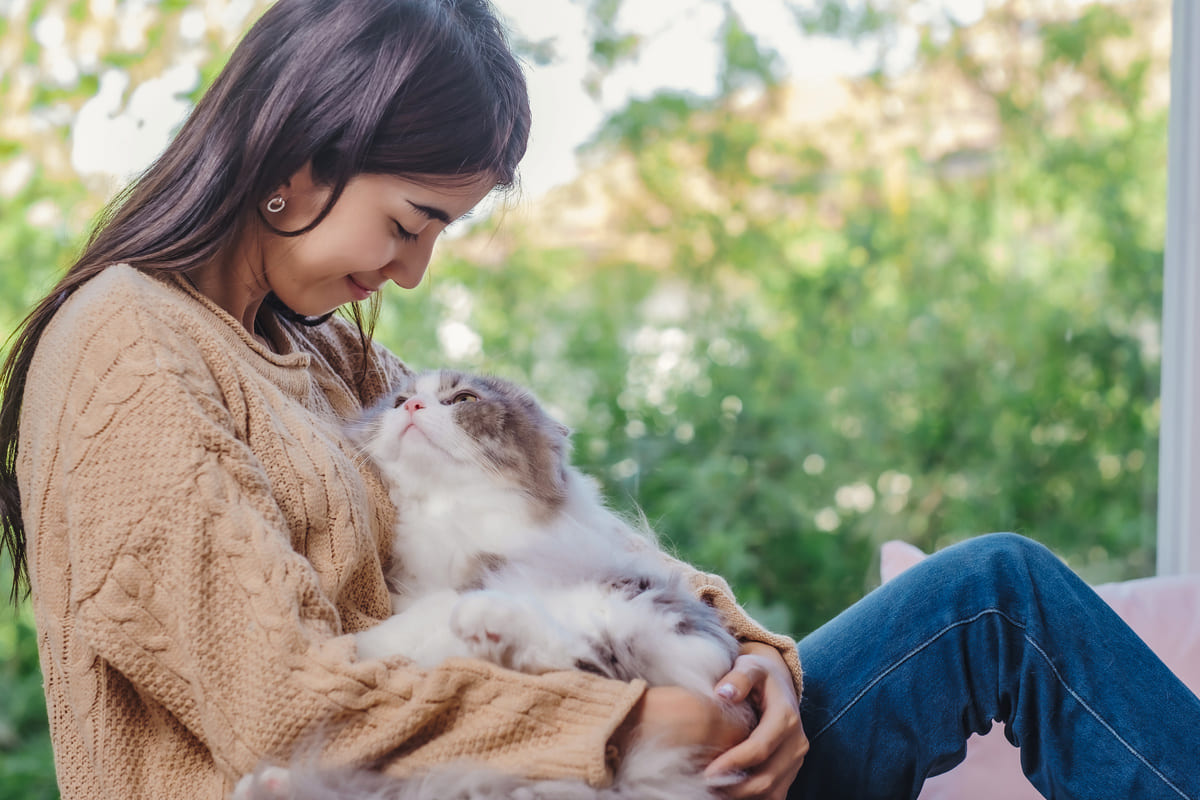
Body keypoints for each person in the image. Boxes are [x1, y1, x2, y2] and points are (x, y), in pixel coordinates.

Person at [0, 1, 1195, 799]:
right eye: (411, 221)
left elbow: (570, 524)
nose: (414, 271)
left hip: (600, 759)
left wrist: (753, 660)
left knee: (995, 594)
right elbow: (272, 703)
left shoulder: (331, 357)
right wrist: (621, 732)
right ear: (300, 164)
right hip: (537, 770)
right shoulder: (124, 352)